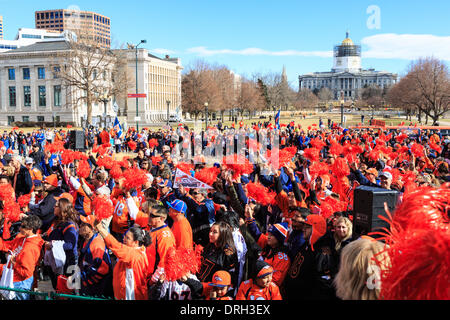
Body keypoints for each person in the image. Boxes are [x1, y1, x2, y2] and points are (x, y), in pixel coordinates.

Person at [95, 222, 151, 300]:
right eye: (124, 236)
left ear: (136, 242)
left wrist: (101, 229)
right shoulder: (135, 251)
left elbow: (115, 245)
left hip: (131, 296)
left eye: (127, 238)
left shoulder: (134, 254)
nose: (124, 239)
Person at [282, 214, 327, 300]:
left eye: (307, 227)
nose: (303, 229)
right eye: (304, 226)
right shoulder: (306, 245)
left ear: (316, 229)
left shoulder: (322, 253)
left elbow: (321, 285)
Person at [245, 204, 291, 287]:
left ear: (279, 239)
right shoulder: (269, 244)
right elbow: (256, 233)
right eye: (268, 234)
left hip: (267, 290)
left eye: (272, 235)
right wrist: (249, 217)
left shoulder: (282, 258)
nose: (268, 237)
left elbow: (275, 281)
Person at [0, 215, 44, 300]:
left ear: (31, 229)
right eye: (21, 225)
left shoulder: (30, 248)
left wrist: (14, 263)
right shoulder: (23, 238)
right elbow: (8, 245)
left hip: (20, 284)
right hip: (13, 279)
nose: (20, 228)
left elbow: (26, 273)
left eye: (23, 226)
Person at [43, 197, 80, 290]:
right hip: (56, 260)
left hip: (68, 262)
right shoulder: (56, 221)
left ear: (62, 208)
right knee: (57, 288)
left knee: (69, 290)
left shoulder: (69, 225)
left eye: (56, 206)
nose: (53, 208)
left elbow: (70, 245)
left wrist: (52, 245)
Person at [313, 216, 353, 300]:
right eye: (338, 227)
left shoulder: (352, 243)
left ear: (348, 228)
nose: (341, 230)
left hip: (342, 280)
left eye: (343, 227)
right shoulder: (329, 238)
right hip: (328, 278)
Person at [197, 221, 239, 291]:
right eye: (210, 231)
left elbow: (231, 277)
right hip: (200, 284)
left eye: (214, 232)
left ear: (222, 234)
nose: (210, 234)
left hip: (214, 289)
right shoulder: (211, 245)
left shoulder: (228, 253)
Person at [77, 221, 113, 298]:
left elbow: (102, 269)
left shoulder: (97, 244)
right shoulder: (84, 240)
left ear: (91, 228)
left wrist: (83, 278)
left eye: (84, 225)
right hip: (88, 280)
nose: (80, 227)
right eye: (81, 224)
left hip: (97, 285)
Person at [146, 204, 176, 284]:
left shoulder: (164, 236)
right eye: (149, 214)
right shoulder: (154, 229)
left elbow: (165, 261)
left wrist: (153, 280)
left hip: (152, 278)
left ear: (161, 218)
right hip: (146, 273)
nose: (149, 217)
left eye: (152, 215)